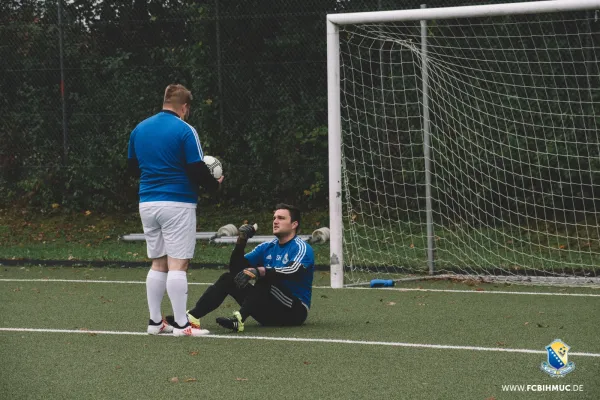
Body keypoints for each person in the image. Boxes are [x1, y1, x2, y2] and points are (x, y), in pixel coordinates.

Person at [127, 84, 224, 337]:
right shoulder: (185, 130)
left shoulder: (140, 128)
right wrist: (215, 184)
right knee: (178, 264)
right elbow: (196, 167)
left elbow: (133, 168)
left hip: (147, 202)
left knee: (158, 263)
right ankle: (182, 325)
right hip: (177, 203)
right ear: (185, 107)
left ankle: (155, 321)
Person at [170, 203, 315, 333]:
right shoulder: (267, 247)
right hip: (267, 312)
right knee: (228, 278)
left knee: (265, 278)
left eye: (281, 218)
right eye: (274, 218)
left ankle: (238, 320)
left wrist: (260, 271)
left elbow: (293, 271)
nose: (275, 221)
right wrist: (241, 241)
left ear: (294, 224)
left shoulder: (301, 247)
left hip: (293, 312)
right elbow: (236, 269)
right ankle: (192, 317)